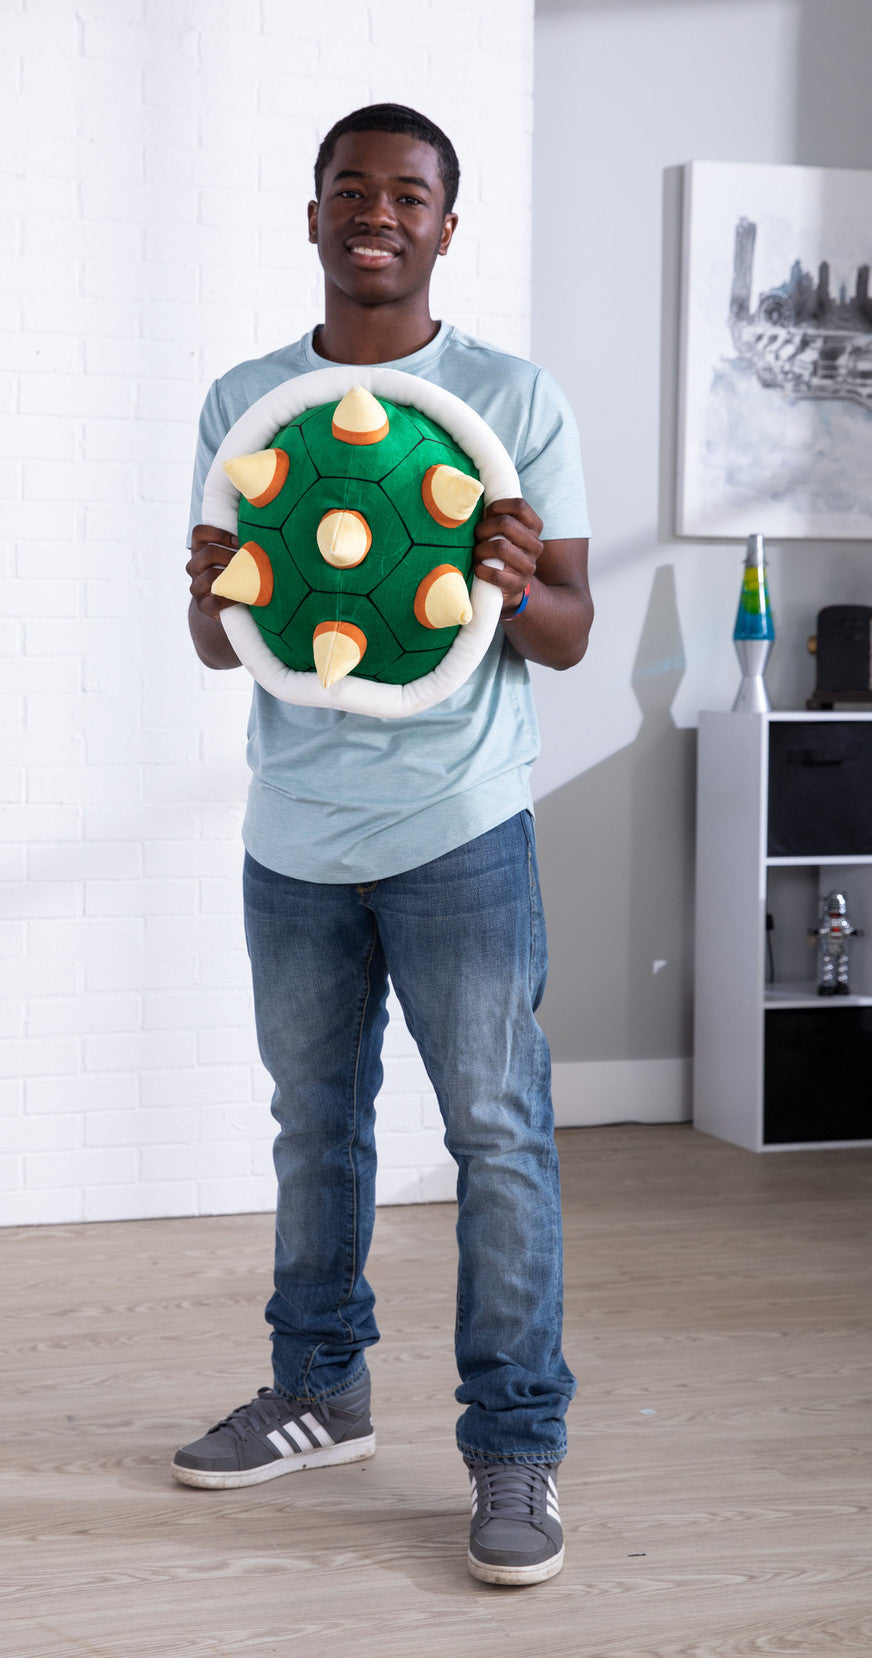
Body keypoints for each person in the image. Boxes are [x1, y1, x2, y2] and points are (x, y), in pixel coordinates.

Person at [175, 103, 593, 1588]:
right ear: (314, 216)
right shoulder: (247, 402)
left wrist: (515, 575)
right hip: (293, 833)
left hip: (459, 826)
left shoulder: (512, 397)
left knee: (496, 1135)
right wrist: (214, 593)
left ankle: (517, 1445)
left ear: (444, 227)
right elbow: (219, 644)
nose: (377, 212)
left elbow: (568, 631)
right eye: (351, 188)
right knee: (316, 1127)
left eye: (408, 194)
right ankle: (321, 1394)